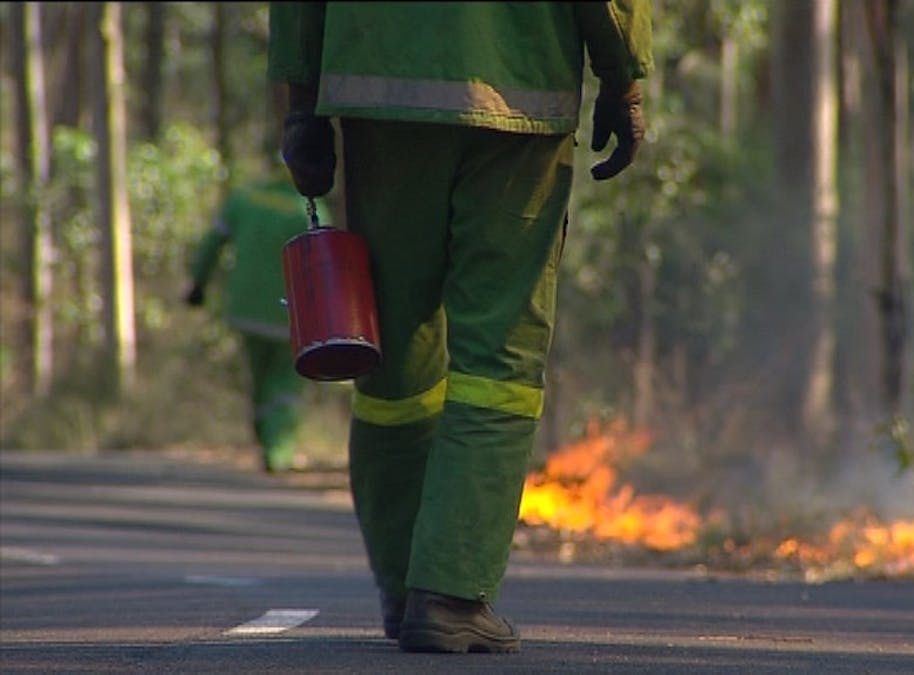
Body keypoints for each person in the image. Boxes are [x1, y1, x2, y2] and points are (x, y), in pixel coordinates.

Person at [267, 1, 652, 654]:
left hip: (380, 94)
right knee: (499, 359)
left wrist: (301, 100)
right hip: (519, 94)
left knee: (392, 351)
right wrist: (624, 80)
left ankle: (405, 580)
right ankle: (447, 592)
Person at [185, 166, 328, 474]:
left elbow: (213, 243)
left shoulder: (245, 199)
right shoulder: (308, 210)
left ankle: (265, 440)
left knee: (260, 380)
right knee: (286, 384)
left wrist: (198, 284)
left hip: (246, 309)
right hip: (291, 314)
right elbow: (325, 261)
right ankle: (278, 449)